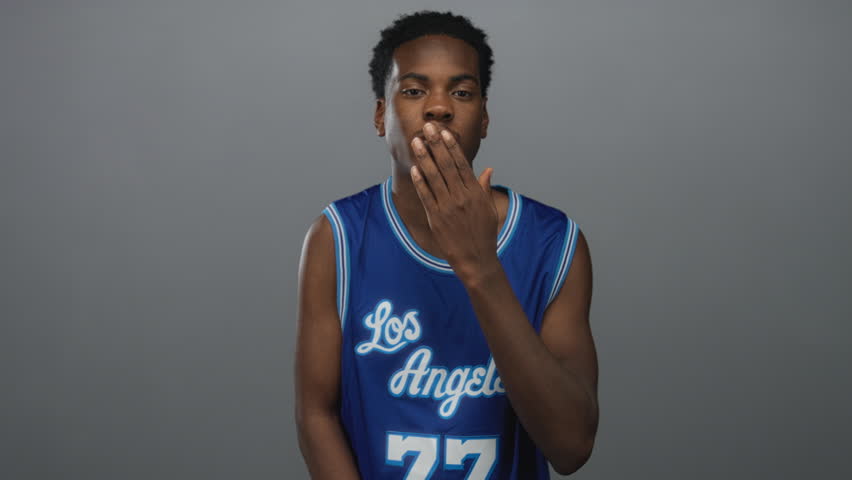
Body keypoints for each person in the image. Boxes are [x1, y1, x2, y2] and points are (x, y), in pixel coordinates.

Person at [296, 10, 598, 479]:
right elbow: (316, 413)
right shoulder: (335, 239)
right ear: (381, 115)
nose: (439, 107)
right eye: (414, 90)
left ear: (484, 120)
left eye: (462, 92)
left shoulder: (554, 247)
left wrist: (481, 267)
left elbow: (571, 446)